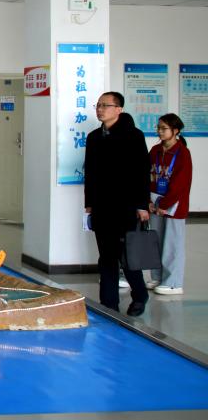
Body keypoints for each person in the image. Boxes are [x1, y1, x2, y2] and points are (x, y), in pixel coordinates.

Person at [84, 91, 150, 316]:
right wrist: (89, 203)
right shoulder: (94, 137)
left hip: (126, 207)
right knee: (106, 257)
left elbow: (142, 172)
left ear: (119, 109)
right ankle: (109, 304)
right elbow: (90, 172)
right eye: (98, 105)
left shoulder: (134, 136)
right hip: (102, 207)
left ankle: (140, 295)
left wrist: (142, 205)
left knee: (127, 256)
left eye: (105, 105)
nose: (100, 109)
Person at [147, 113, 191, 296]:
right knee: (156, 240)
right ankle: (157, 277)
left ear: (175, 131)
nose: (160, 131)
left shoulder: (183, 153)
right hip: (155, 203)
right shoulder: (155, 150)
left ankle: (173, 282)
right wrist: (148, 201)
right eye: (158, 128)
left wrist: (164, 204)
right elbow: (146, 176)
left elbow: (181, 183)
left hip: (173, 206)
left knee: (172, 243)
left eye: (164, 128)